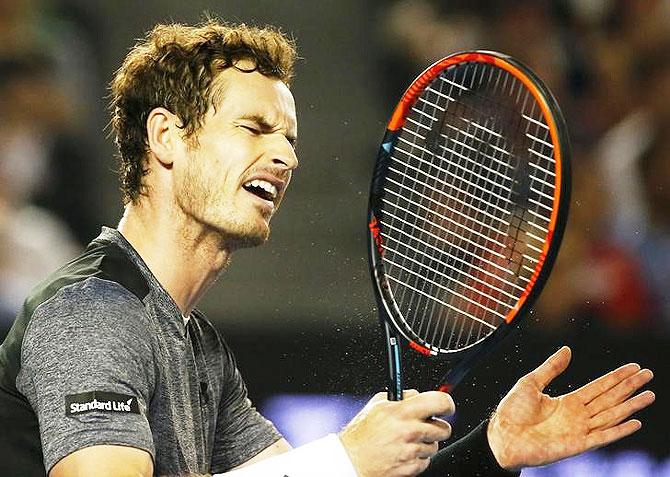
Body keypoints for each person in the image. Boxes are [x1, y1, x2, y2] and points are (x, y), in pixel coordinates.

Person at [0, 20, 655, 477]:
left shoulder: (200, 354)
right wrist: (343, 456)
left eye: (288, 137)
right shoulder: (90, 314)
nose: (284, 156)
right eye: (254, 127)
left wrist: (491, 451)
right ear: (167, 137)